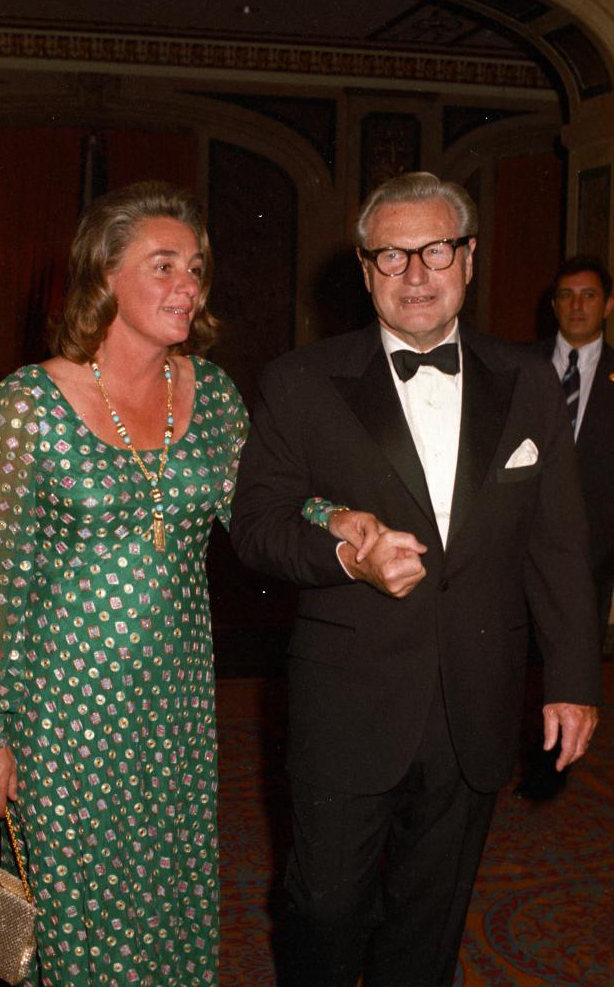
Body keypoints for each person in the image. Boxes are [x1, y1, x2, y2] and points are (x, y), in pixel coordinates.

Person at [230, 172, 601, 987]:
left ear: (467, 259)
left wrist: (571, 679)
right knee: (323, 913)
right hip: (346, 702)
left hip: (475, 696)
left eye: (435, 250)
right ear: (364, 272)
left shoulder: (527, 380)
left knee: (428, 929)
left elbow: (559, 546)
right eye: (391, 256)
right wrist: (341, 556)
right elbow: (255, 525)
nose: (416, 274)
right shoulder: (301, 381)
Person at [0, 181, 248, 987]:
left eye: (197, 267)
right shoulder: (24, 408)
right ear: (104, 276)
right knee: (74, 918)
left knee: (168, 899)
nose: (189, 284)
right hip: (63, 712)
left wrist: (343, 525)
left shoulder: (210, 395)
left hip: (174, 704)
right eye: (164, 265)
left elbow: (263, 511)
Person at [514, 254, 614, 801]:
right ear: (553, 305)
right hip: (513, 549)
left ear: (608, 305)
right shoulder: (516, 368)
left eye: (589, 295)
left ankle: (550, 768)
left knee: (569, 660)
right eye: (567, 295)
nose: (577, 305)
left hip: (590, 557)